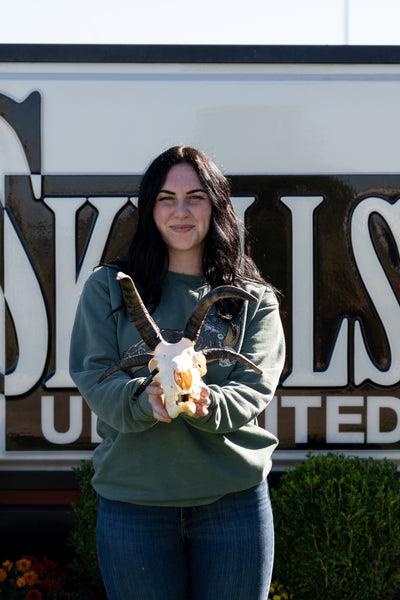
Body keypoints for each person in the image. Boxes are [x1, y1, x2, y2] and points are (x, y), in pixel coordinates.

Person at [69, 146, 286, 600]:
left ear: (216, 206)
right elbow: (93, 375)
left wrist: (207, 403)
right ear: (150, 209)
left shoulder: (252, 299)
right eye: (167, 198)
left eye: (196, 197)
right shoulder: (107, 286)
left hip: (233, 501)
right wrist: (143, 399)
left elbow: (256, 384)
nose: (181, 211)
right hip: (134, 502)